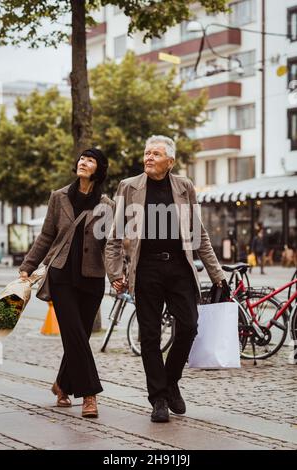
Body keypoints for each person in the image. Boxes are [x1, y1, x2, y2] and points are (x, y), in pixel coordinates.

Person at [105, 135, 226, 423]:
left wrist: (217, 274)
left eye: (156, 154)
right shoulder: (129, 187)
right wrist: (115, 273)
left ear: (169, 162)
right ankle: (158, 398)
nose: (148, 158)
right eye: (147, 153)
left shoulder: (184, 187)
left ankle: (171, 381)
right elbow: (114, 237)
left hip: (179, 269)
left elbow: (200, 235)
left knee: (188, 326)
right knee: (149, 335)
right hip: (145, 269)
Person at [19, 148, 113, 418]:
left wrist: (120, 274)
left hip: (92, 277)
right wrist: (28, 266)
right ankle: (89, 395)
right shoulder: (59, 197)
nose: (83, 162)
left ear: (99, 168)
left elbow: (111, 245)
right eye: (82, 158)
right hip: (61, 276)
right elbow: (46, 236)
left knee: (79, 336)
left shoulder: (107, 205)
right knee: (73, 332)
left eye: (90, 159)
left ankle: (61, 384)